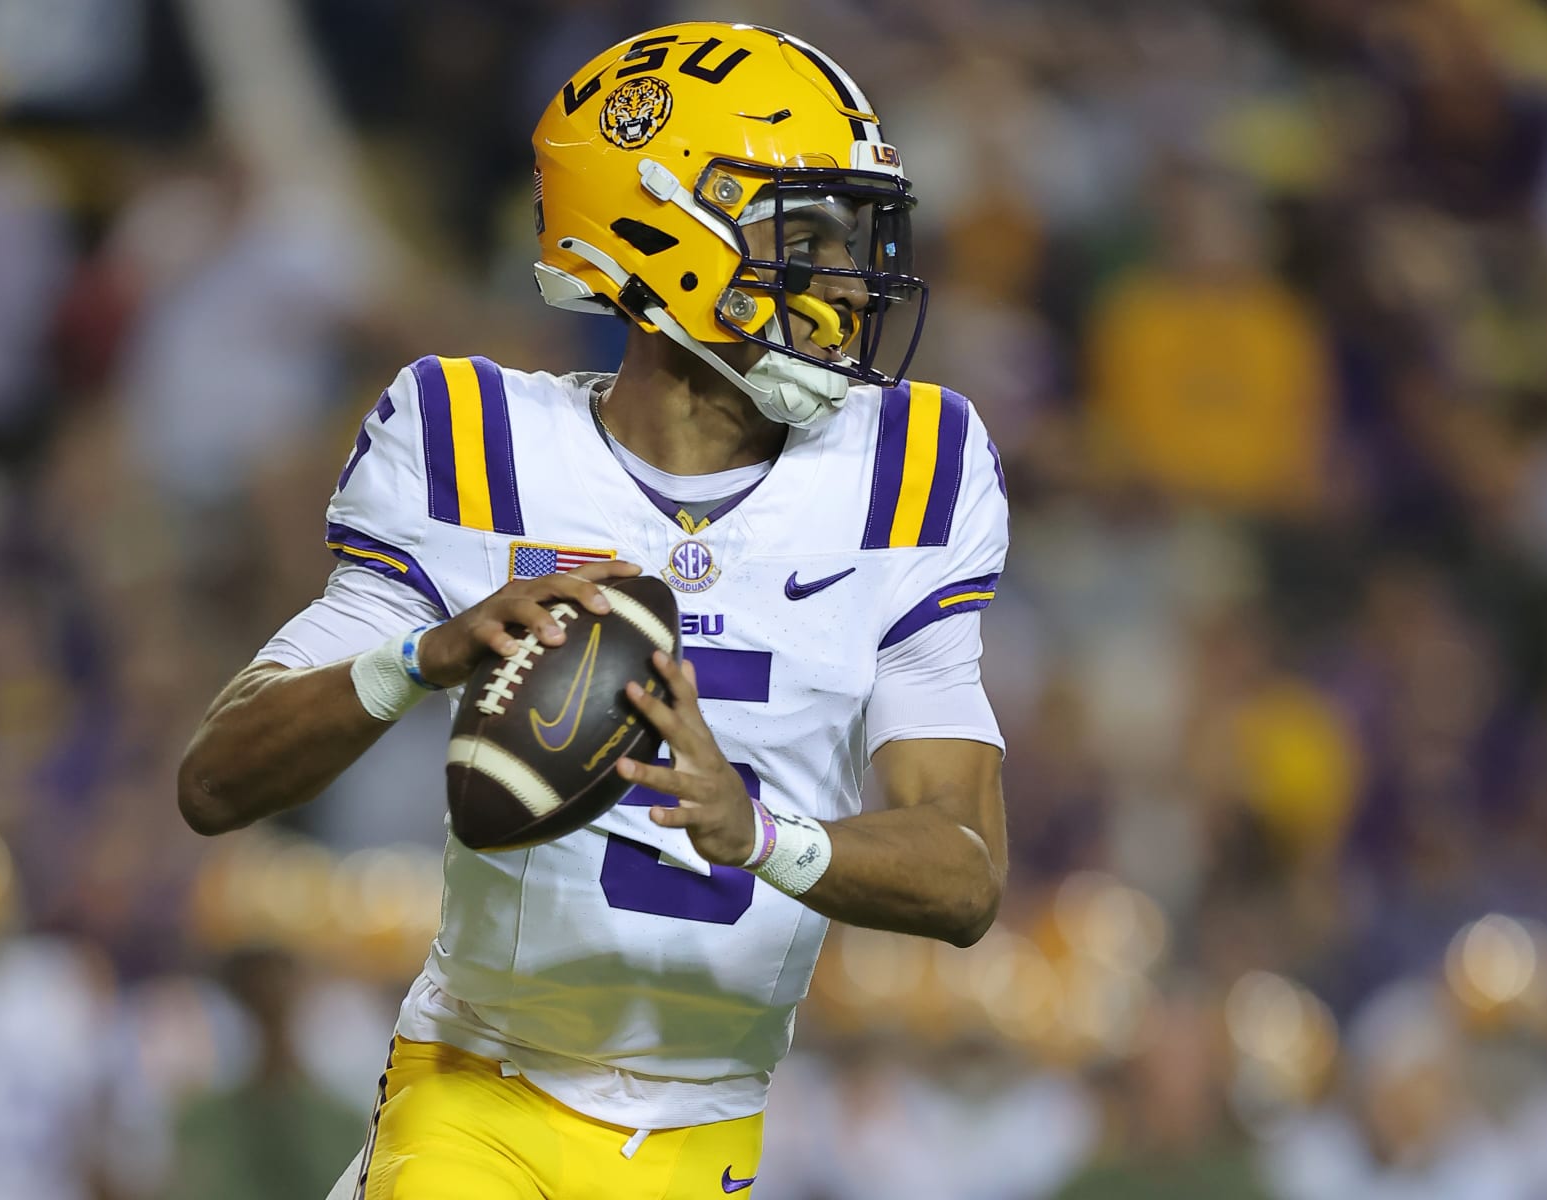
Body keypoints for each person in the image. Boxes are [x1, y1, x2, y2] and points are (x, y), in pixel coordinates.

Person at [179, 22, 1011, 1199]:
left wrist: (761, 832)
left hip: (710, 1129)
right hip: (480, 1094)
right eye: (804, 233)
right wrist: (419, 658)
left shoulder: (912, 466)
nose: (842, 281)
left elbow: (968, 873)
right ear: (661, 229)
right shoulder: (476, 446)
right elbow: (215, 780)